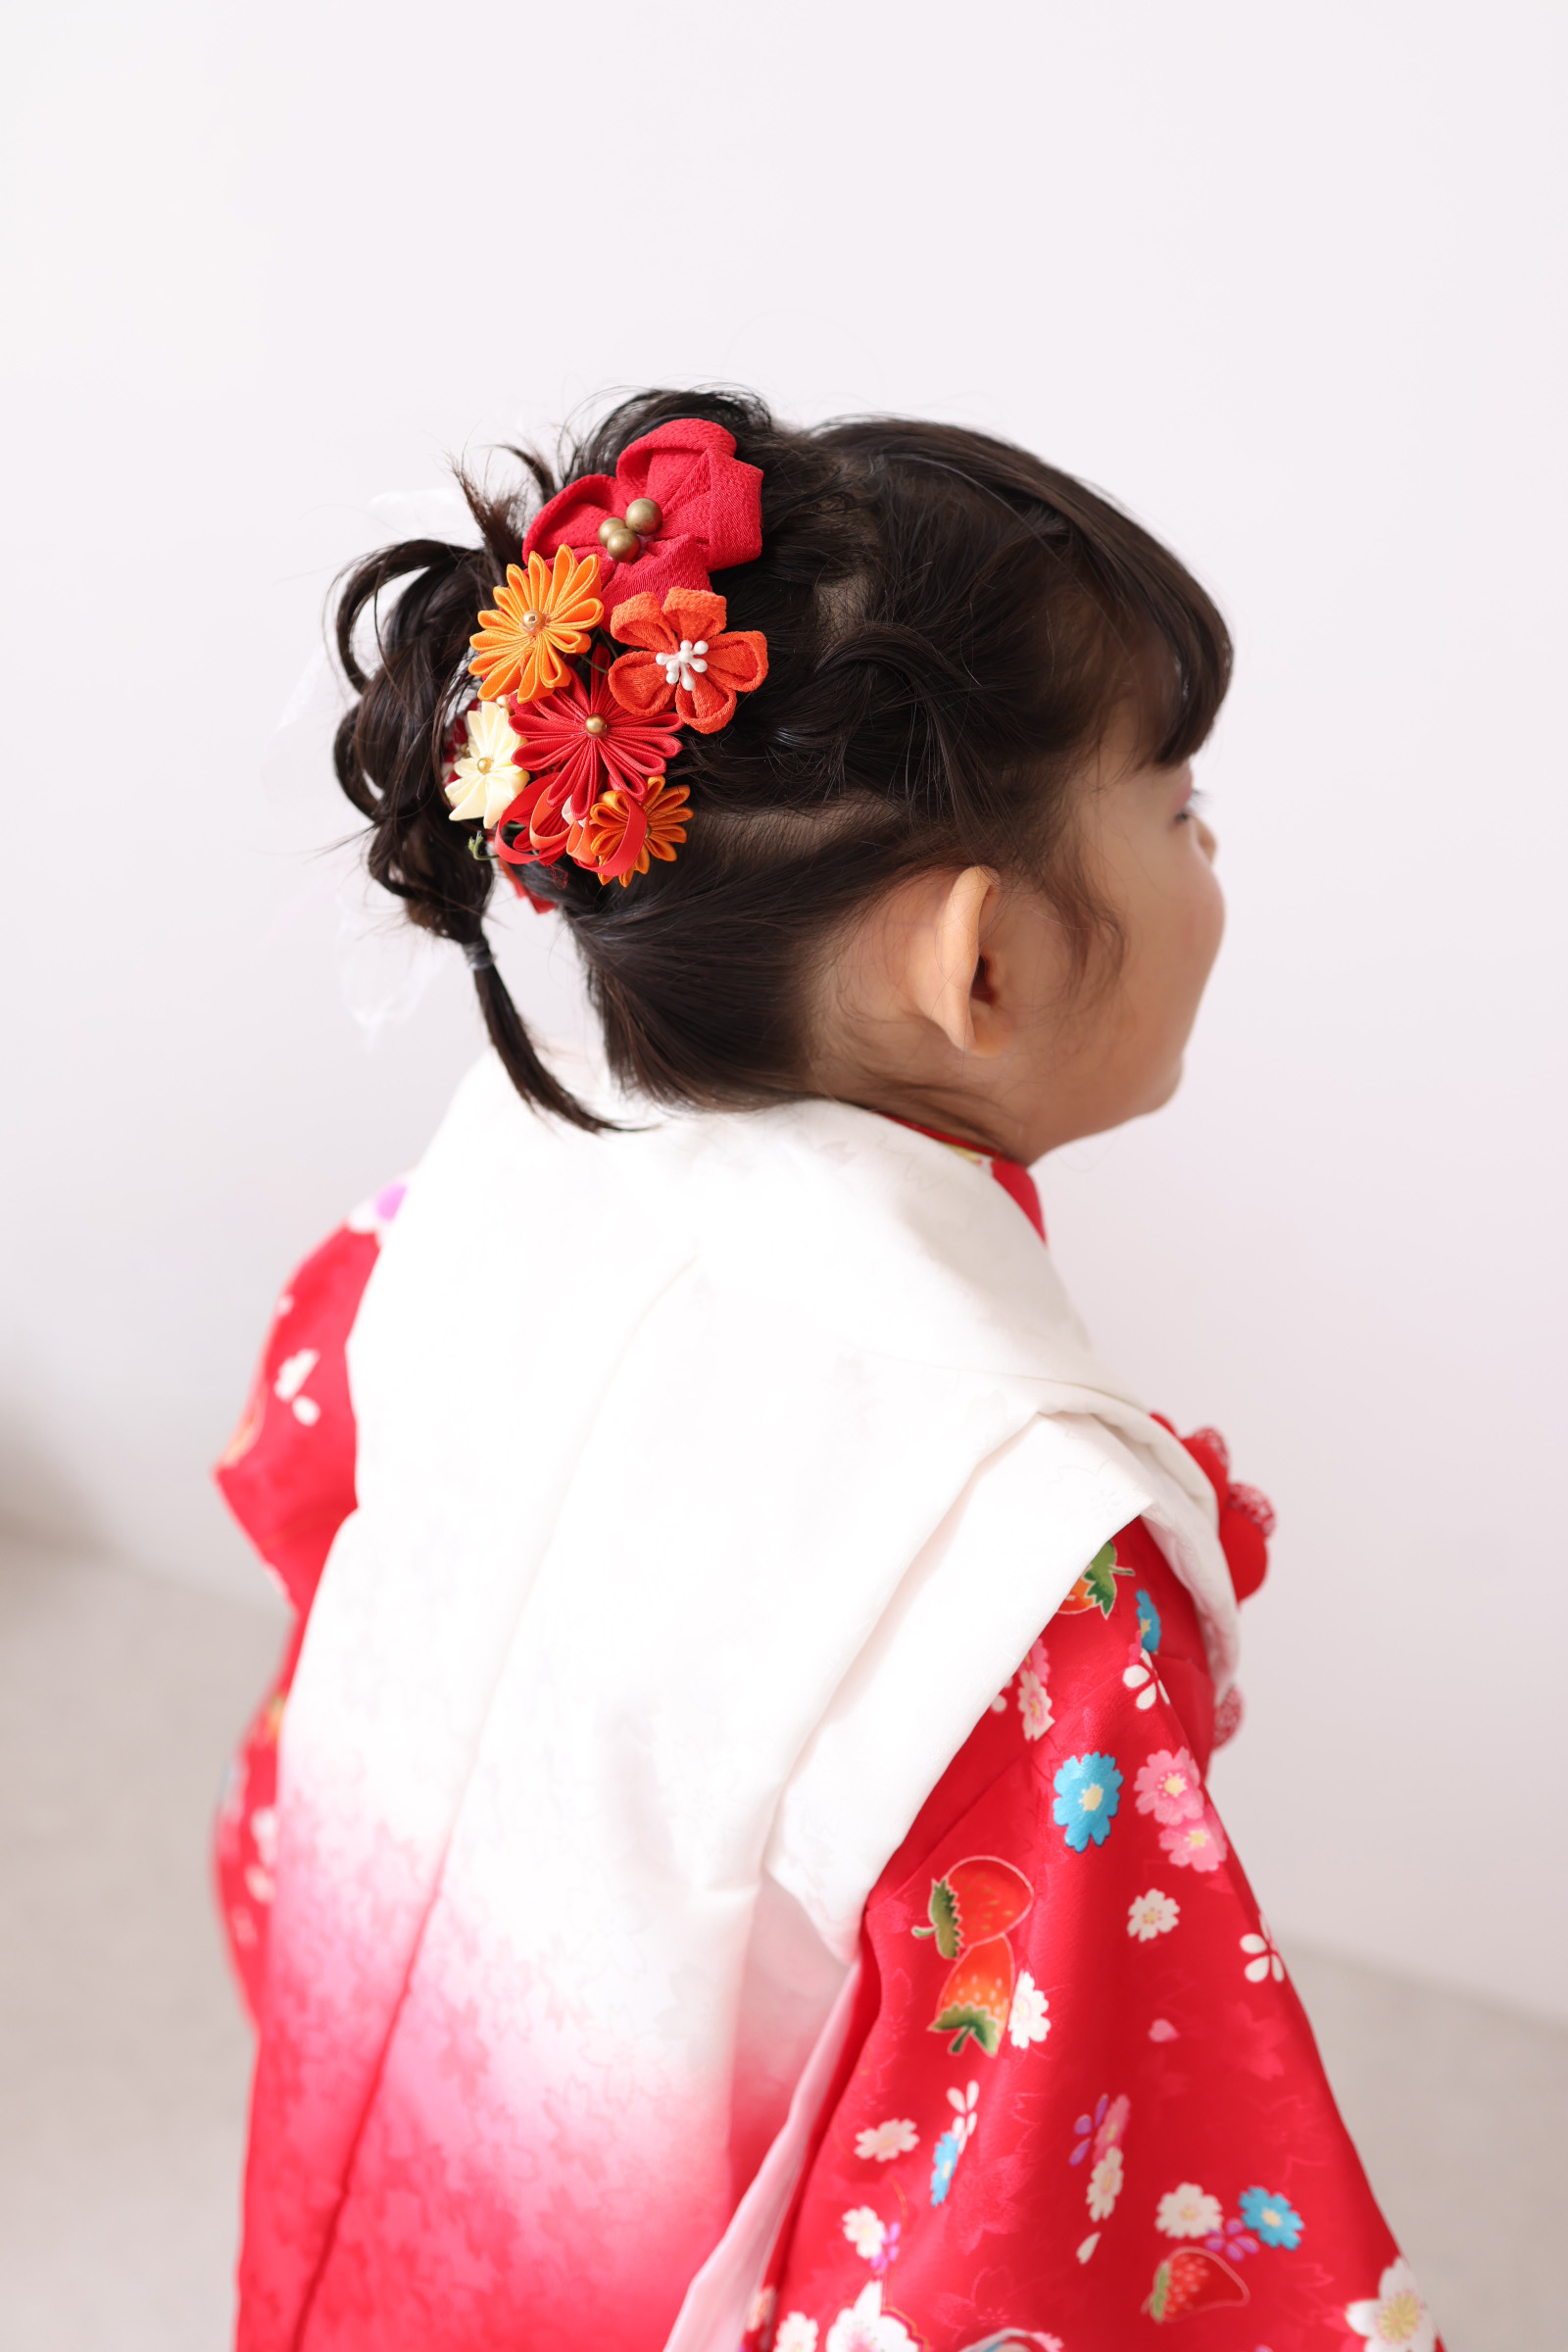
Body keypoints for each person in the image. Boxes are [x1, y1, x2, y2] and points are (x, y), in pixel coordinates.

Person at [214, 394, 1442, 2352]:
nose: (1209, 852)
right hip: (651, 2258)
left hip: (390, 2063)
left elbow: (327, 1554)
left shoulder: (480, 1177)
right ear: (983, 968)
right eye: (1176, 805)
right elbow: (1022, 2202)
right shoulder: (1016, 1553)